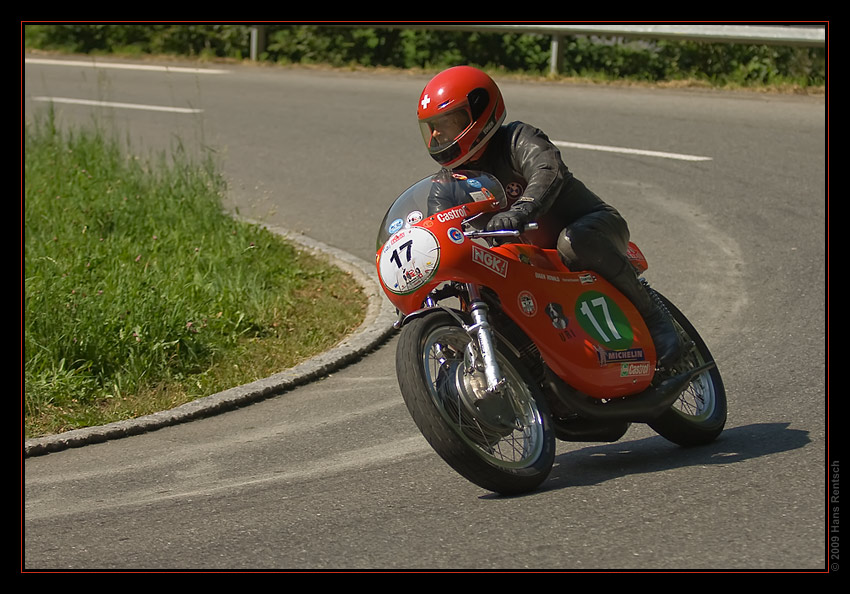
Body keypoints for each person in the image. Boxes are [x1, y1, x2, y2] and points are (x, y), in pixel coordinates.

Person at [416, 65, 682, 367]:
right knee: (488, 292)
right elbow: (436, 232)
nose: (436, 135)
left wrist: (520, 209)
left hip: (590, 228)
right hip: (529, 261)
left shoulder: (516, 138)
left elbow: (547, 171)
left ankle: (655, 317)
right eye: (431, 127)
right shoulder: (447, 184)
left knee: (573, 243)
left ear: (477, 113)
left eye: (445, 123)